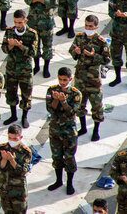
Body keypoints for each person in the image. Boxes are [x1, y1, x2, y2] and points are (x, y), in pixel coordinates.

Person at [69, 14, 109, 141]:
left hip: (93, 80)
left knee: (96, 107)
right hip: (80, 77)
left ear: (96, 27)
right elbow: (72, 50)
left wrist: (94, 56)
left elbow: (107, 60)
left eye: (90, 26)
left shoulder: (101, 42)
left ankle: (96, 130)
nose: (88, 28)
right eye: (86, 25)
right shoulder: (79, 37)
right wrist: (76, 52)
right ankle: (83, 127)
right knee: (79, 104)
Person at [46, 66, 81, 194]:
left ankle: (70, 183)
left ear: (70, 79)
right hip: (55, 128)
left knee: (69, 157)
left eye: (65, 80)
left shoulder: (75, 93)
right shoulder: (51, 90)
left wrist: (64, 101)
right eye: (60, 79)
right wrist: (56, 99)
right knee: (56, 156)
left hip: (68, 130)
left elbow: (72, 111)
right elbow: (50, 109)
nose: (62, 82)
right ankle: (58, 180)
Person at [1, 10, 37, 128]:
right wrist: (10, 45)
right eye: (16, 22)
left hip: (25, 70)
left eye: (20, 22)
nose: (18, 25)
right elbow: (4, 49)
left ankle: (24, 116)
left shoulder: (32, 34)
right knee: (11, 92)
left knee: (26, 94)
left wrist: (21, 46)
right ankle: (13, 115)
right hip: (11, 68)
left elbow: (33, 52)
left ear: (25, 21)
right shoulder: (9, 31)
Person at [24, 0, 58, 78]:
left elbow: (55, 3)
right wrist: (33, 0)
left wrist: (44, 1)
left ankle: (46, 67)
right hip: (33, 20)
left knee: (47, 46)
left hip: (46, 22)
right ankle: (37, 66)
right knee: (35, 44)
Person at [0, 124, 31, 214]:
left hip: (18, 191)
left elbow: (23, 172)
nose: (12, 141)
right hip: (5, 188)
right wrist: (4, 159)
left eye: (15, 139)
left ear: (21, 137)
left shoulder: (25, 151)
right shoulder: (2, 148)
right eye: (10, 138)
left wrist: (12, 160)